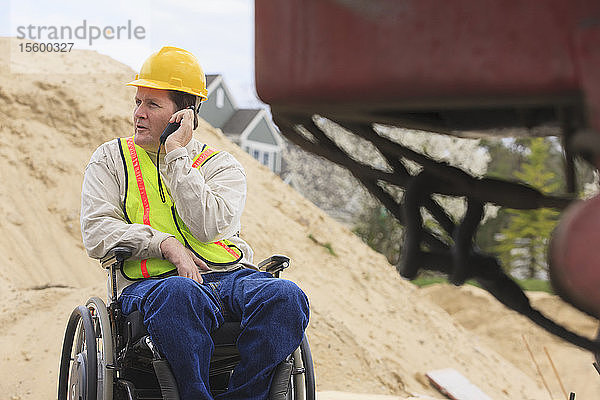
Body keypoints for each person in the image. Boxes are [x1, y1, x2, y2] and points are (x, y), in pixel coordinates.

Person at [80, 46, 310, 400]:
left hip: (230, 277)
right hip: (154, 284)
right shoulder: (111, 159)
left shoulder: (221, 166)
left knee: (286, 296)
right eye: (138, 102)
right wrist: (165, 245)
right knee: (181, 293)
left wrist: (176, 156)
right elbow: (97, 232)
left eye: (152, 105)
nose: (138, 114)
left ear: (183, 115)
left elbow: (209, 227)